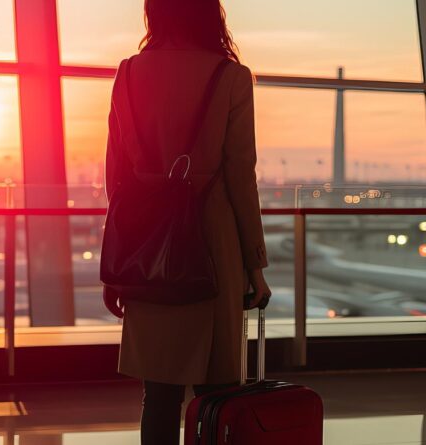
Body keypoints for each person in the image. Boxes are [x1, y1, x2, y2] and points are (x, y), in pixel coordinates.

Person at [104, 1, 271, 444]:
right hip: (211, 242)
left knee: (158, 393)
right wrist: (254, 264)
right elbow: (239, 175)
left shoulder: (128, 73)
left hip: (146, 242)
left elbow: (116, 177)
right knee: (216, 391)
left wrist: (117, 265)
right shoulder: (229, 77)